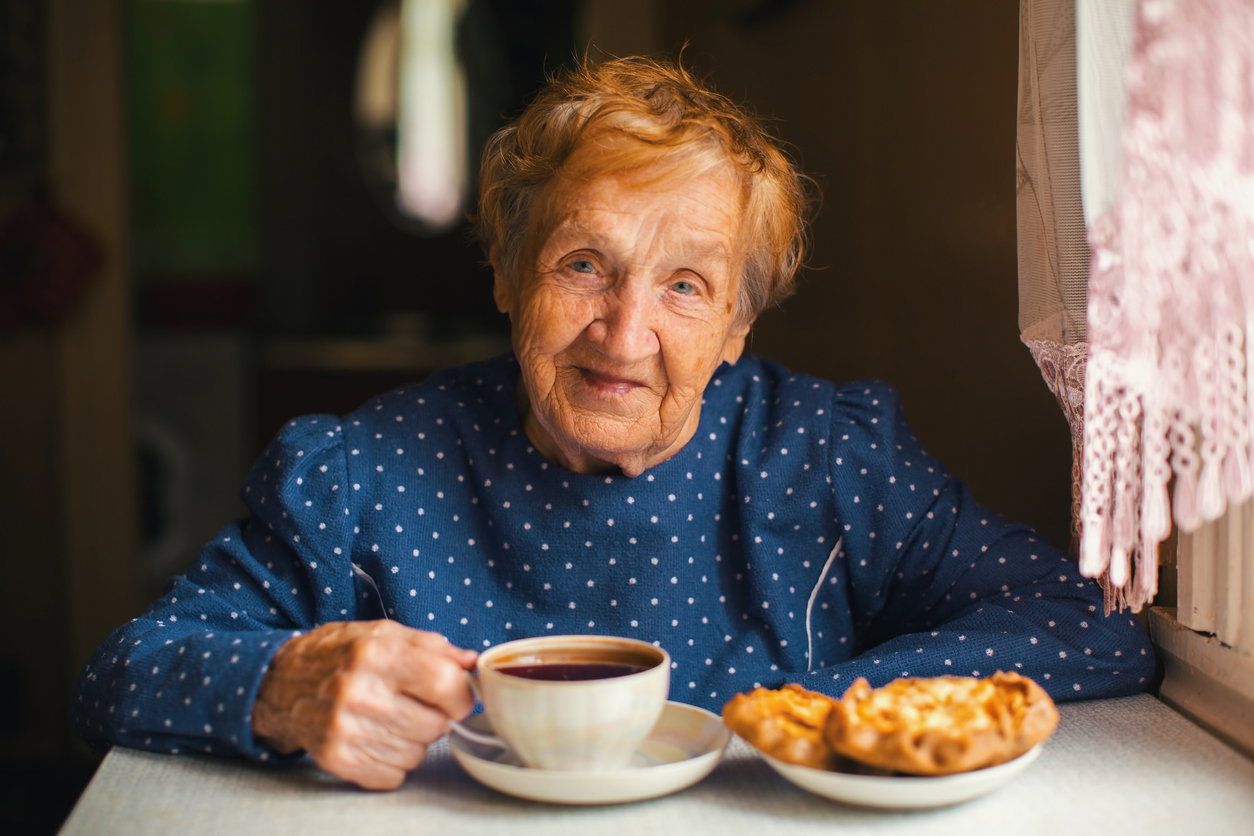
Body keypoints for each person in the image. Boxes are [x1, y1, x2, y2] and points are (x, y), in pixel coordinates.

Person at [73, 56, 1155, 791]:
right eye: (583, 264)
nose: (624, 332)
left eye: (687, 286)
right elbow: (126, 666)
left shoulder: (828, 457)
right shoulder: (361, 473)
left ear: (737, 323)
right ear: (506, 272)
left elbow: (1086, 623)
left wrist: (803, 709)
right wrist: (283, 686)